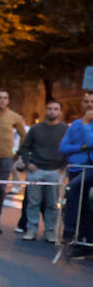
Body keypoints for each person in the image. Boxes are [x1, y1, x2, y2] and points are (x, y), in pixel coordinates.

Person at [17, 100, 68, 243]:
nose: (52, 111)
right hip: (36, 170)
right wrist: (28, 163)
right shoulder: (36, 128)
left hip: (55, 171)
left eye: (56, 109)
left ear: (60, 112)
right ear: (46, 111)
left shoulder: (65, 129)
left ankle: (49, 231)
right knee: (33, 202)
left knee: (52, 203)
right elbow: (25, 147)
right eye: (50, 109)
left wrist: (62, 168)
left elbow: (69, 150)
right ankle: (31, 230)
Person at [0, 89, 26, 234]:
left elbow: (24, 135)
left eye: (5, 98)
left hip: (5, 159)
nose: (2, 100)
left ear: (8, 101)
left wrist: (18, 153)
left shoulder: (14, 117)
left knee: (0, 190)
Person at [59, 93, 93, 258]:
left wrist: (87, 124)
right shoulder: (75, 124)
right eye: (86, 101)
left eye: (92, 102)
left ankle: (70, 231)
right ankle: (80, 242)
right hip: (75, 169)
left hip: (89, 169)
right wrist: (81, 147)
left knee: (84, 203)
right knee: (79, 206)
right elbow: (63, 147)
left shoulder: (85, 124)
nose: (89, 105)